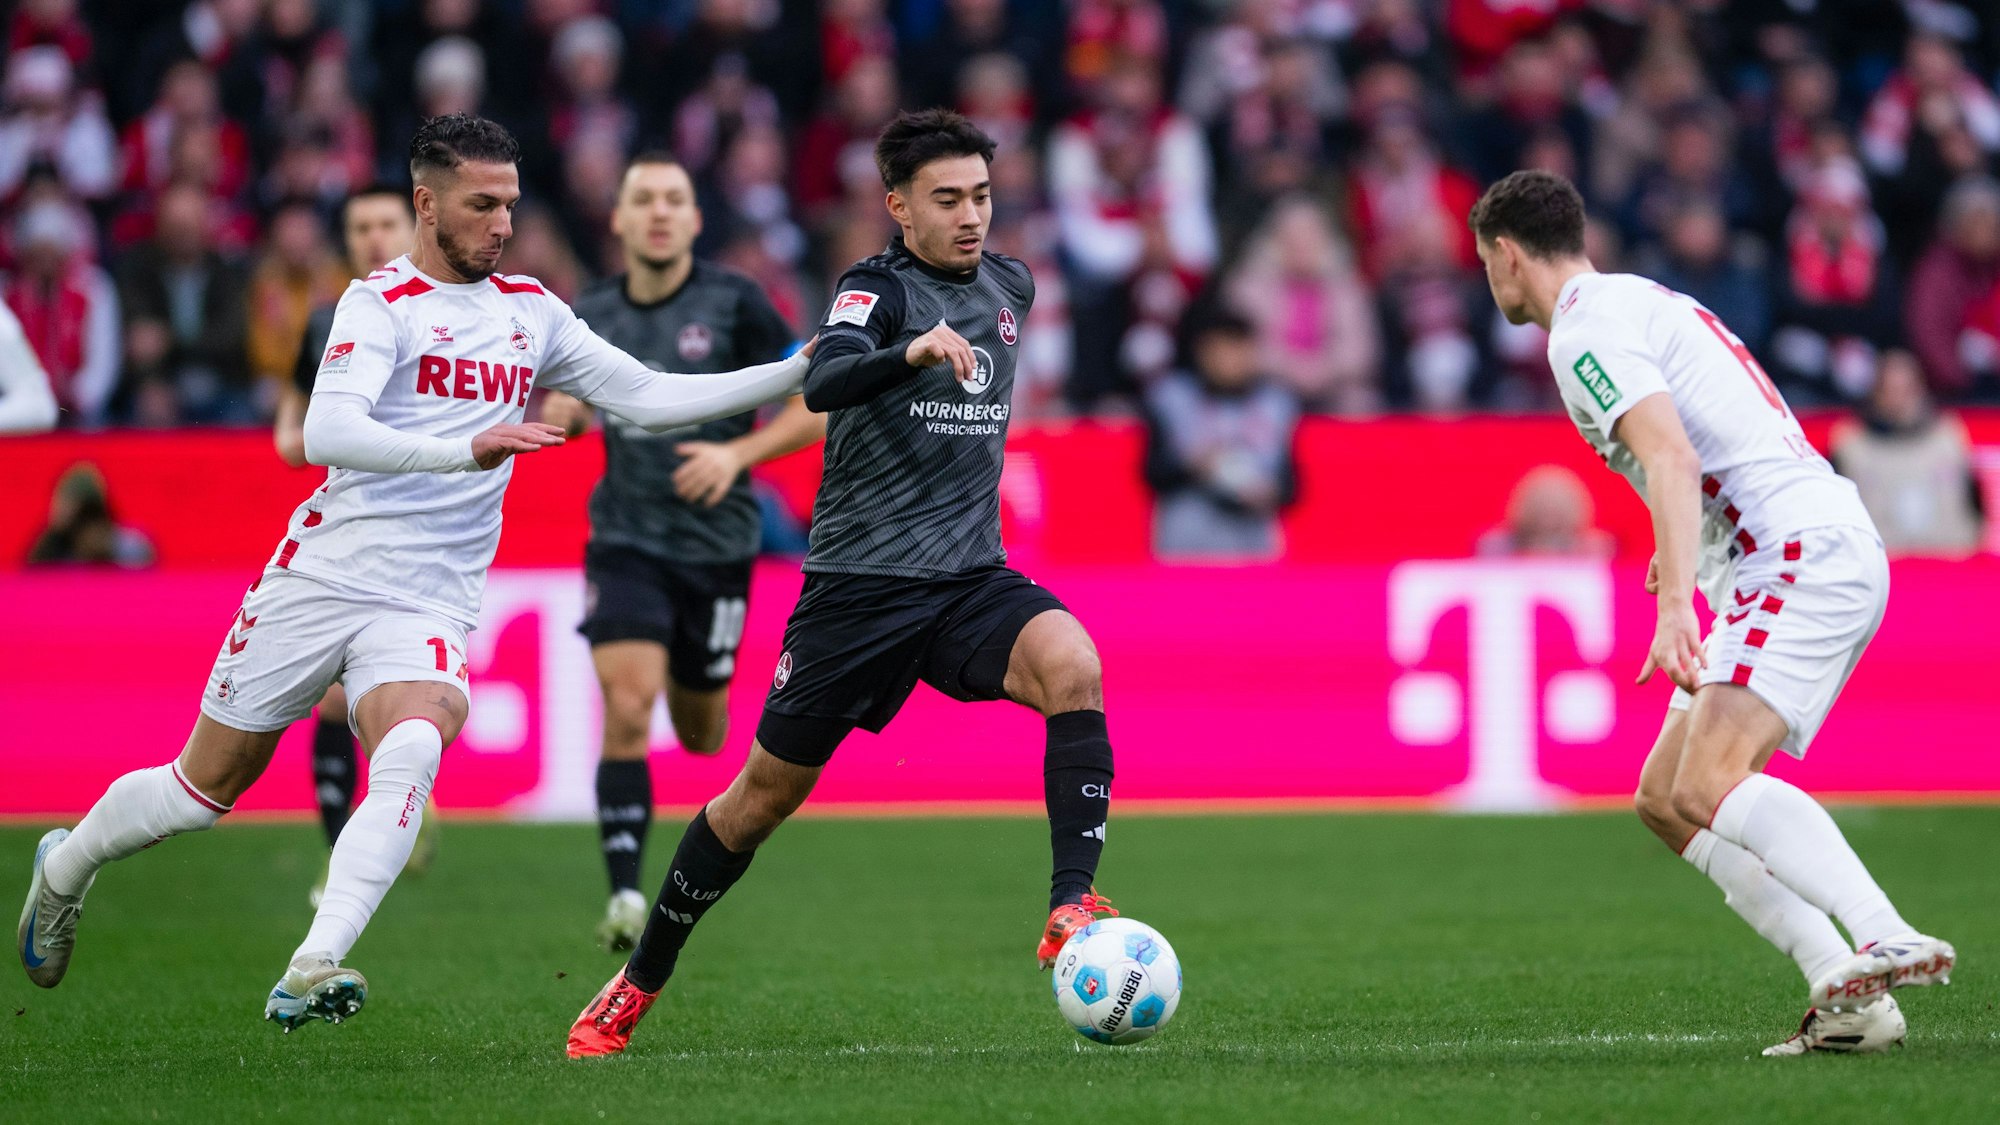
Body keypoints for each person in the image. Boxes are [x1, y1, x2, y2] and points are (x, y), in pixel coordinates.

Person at [16, 115, 814, 1033]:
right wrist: (464, 449)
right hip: (323, 574)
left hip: (428, 596)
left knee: (418, 741)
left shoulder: (533, 311)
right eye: (482, 206)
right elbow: (328, 432)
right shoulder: (378, 305)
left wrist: (787, 375)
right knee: (201, 792)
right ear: (427, 205)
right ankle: (66, 866)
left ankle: (314, 961)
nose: (503, 224)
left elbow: (648, 393)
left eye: (510, 204)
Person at [566, 109, 1119, 1059]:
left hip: (967, 578)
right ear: (899, 207)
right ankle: (638, 978)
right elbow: (822, 386)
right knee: (756, 802)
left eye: (981, 195)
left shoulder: (1012, 284)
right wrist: (909, 351)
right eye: (947, 199)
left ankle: (1072, 904)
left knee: (1074, 664)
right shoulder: (876, 288)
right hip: (857, 592)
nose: (971, 216)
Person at [1469, 170, 1956, 1057]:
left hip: (1792, 554)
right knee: (1667, 799)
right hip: (1794, 545)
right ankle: (1846, 994)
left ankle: (1881, 932)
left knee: (1708, 781)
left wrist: (1673, 612)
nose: (1490, 283)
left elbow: (1671, 451)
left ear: (1505, 254)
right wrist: (1685, 545)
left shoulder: (1581, 331)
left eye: (1485, 264)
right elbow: (1712, 438)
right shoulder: (1641, 300)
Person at [535, 153, 824, 953]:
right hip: (625, 540)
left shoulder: (734, 303)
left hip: (717, 546)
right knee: (627, 704)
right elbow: (575, 397)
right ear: (619, 221)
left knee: (701, 732)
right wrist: (571, 410)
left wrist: (737, 458)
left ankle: (699, 696)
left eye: (674, 199)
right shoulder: (589, 310)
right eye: (643, 200)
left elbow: (822, 396)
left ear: (695, 220)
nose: (659, 212)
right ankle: (626, 893)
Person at [271, 183, 433, 910]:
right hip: (354, 531)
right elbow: (291, 431)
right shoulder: (331, 323)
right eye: (359, 227)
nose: (373, 237)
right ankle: (342, 854)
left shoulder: (454, 314)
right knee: (335, 703)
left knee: (402, 705)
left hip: (433, 542)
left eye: (385, 222)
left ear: (415, 221)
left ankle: (395, 812)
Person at [1143, 311, 1300, 561]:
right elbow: (1153, 474)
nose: (1229, 361)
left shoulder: (1276, 403)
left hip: (1251, 539)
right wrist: (1194, 466)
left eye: (1237, 350)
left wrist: (1270, 492)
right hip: (1187, 536)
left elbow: (1291, 485)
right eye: (1219, 351)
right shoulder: (1172, 398)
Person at [1829, 350, 1985, 558]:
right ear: (1875, 391)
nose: (1898, 399)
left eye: (1906, 390)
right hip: (1881, 566)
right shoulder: (1850, 444)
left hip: (1950, 564)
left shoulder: (1949, 437)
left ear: (1921, 388)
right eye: (1890, 389)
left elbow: (1975, 508)